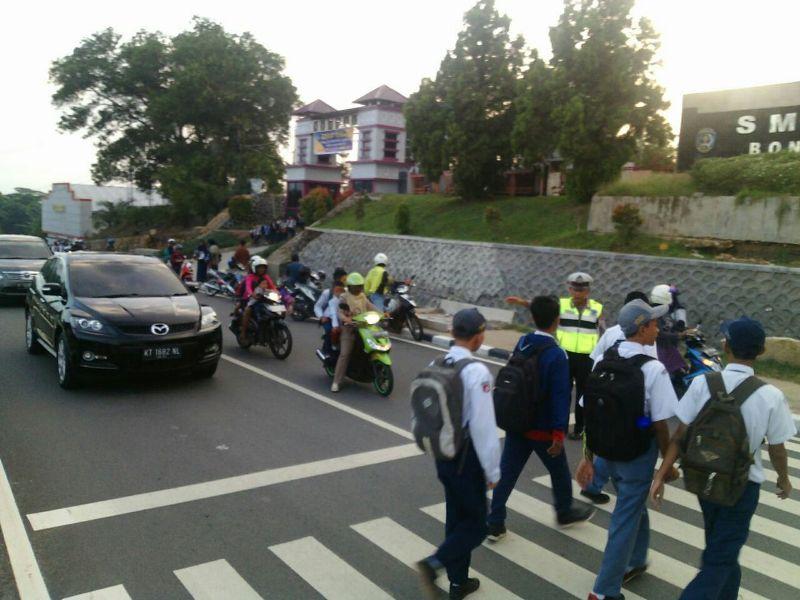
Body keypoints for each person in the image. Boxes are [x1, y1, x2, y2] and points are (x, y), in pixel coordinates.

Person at [650, 316, 796, 600]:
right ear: (762, 351)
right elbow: (778, 448)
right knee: (720, 558)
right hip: (742, 487)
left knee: (722, 548)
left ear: (726, 346)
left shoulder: (703, 384)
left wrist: (660, 474)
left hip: (704, 479)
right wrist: (783, 479)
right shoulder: (772, 396)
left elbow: (680, 435)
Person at [576, 299, 679, 600]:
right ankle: (604, 591)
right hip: (636, 455)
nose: (658, 329)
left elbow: (589, 412)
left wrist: (588, 457)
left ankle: (636, 559)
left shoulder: (604, 359)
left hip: (607, 450)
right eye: (655, 324)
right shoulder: (653, 369)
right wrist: (665, 466)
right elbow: (661, 426)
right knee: (624, 520)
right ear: (642, 327)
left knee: (632, 508)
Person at [487, 296, 594, 542]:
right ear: (557, 320)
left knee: (507, 472)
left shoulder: (524, 341)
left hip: (517, 422)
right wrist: (558, 432)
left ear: (533, 318)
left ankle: (494, 522)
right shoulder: (557, 354)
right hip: (543, 429)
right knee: (559, 472)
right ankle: (564, 511)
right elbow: (560, 395)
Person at [417, 309, 501, 600]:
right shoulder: (476, 371)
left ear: (453, 333)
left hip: (444, 455)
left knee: (456, 518)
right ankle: (433, 564)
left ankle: (458, 582)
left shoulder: (436, 362)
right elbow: (483, 428)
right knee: (477, 526)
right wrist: (492, 472)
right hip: (468, 460)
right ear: (479, 336)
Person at [580, 290, 658, 505]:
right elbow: (651, 370)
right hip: (633, 414)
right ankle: (609, 486)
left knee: (608, 445)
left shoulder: (611, 332)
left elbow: (595, 361)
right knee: (627, 444)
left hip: (605, 405)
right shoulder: (649, 344)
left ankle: (595, 485)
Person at [557, 272, 605, 440]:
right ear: (569, 289)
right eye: (574, 289)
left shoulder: (597, 308)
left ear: (587, 291)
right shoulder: (561, 305)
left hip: (586, 357)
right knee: (563, 392)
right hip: (565, 355)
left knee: (582, 395)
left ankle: (579, 428)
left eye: (581, 290)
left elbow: (603, 331)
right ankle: (560, 427)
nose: (577, 293)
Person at [332, 273, 379, 392]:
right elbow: (340, 312)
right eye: (356, 286)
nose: (358, 289)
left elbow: (371, 306)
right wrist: (346, 319)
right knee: (345, 354)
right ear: (350, 286)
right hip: (349, 329)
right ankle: (336, 382)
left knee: (375, 345)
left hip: (364, 328)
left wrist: (383, 313)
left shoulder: (362, 296)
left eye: (360, 286)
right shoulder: (344, 297)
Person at [650, 284, 689, 394]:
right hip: (659, 352)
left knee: (680, 373)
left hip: (668, 350)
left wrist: (682, 330)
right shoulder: (654, 313)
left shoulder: (664, 312)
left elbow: (670, 327)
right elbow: (659, 334)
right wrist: (678, 336)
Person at [237, 256, 277, 345]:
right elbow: (248, 288)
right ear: (255, 268)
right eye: (259, 268)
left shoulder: (266, 277)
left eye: (263, 268)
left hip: (263, 299)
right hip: (250, 299)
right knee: (248, 310)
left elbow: (272, 286)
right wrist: (252, 294)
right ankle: (243, 333)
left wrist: (276, 292)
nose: (261, 269)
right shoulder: (250, 277)